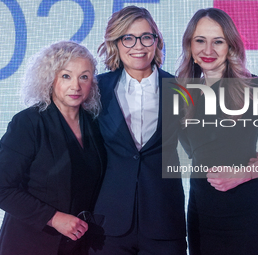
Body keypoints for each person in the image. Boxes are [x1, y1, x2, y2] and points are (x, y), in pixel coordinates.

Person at [177, 8, 258, 255]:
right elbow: (195, 153)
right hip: (202, 214)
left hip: (248, 216)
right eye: (200, 40)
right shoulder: (181, 94)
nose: (208, 50)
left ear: (230, 46)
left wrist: (246, 173)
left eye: (218, 41)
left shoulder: (255, 87)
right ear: (189, 45)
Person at [0, 41, 106, 255]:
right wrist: (53, 218)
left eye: (84, 77)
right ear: (50, 79)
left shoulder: (94, 124)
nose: (76, 86)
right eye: (66, 76)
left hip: (77, 246)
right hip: (29, 244)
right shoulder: (28, 123)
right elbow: (0, 190)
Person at [89, 6, 186, 255]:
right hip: (108, 225)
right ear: (116, 42)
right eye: (128, 38)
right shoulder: (97, 88)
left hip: (165, 220)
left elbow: (202, 142)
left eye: (146, 37)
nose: (138, 46)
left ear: (156, 41)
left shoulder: (180, 88)